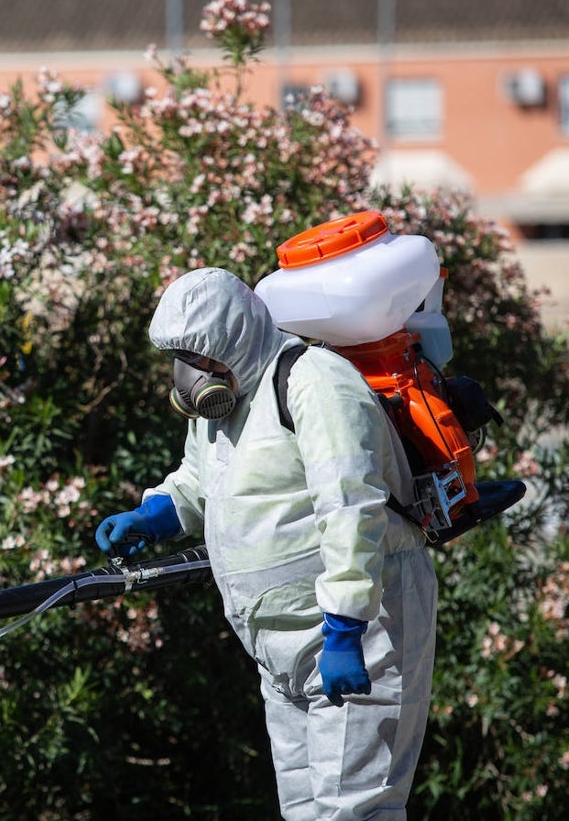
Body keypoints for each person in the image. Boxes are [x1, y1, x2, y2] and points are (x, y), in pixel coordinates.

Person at [95, 267, 437, 820]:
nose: (187, 374)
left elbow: (352, 505)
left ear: (231, 338)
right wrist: (154, 513)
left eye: (198, 355)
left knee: (354, 811)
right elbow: (204, 477)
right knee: (304, 811)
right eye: (178, 357)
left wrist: (347, 627)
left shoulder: (313, 380)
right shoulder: (228, 402)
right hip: (280, 651)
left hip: (360, 633)